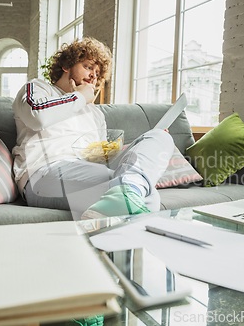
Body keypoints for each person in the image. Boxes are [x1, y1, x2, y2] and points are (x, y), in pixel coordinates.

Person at [12, 37, 174, 221]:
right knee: (145, 195)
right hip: (42, 174)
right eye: (88, 67)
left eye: (97, 73)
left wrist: (137, 148)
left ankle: (114, 207)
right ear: (66, 65)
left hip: (86, 170)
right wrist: (79, 96)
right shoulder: (38, 88)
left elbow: (98, 157)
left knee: (159, 137)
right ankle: (124, 201)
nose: (93, 76)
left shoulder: (95, 114)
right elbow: (37, 116)